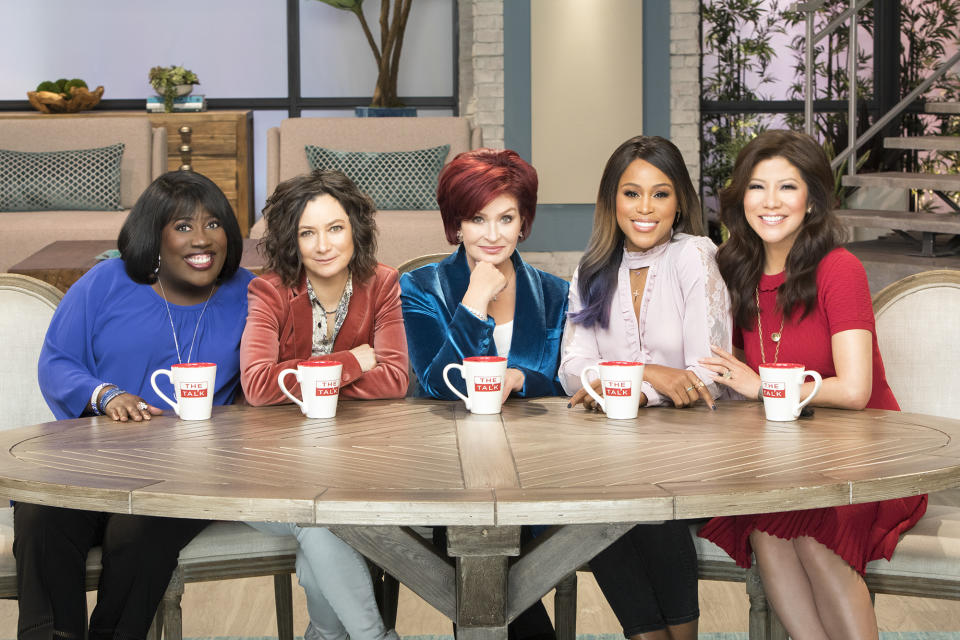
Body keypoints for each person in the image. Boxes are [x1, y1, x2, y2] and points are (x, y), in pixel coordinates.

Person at [697, 129, 927, 640]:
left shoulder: (838, 269)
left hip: (867, 453)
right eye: (758, 187)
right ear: (740, 198)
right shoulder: (737, 270)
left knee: (813, 538)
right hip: (788, 454)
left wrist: (763, 389)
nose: (771, 202)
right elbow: (731, 362)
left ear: (812, 200)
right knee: (766, 531)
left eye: (788, 187)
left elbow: (854, 391)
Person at [16, 171, 254, 640]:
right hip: (93, 461)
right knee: (41, 510)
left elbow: (264, 384)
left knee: (137, 527)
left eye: (214, 225)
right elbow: (57, 362)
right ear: (154, 236)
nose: (201, 240)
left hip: (190, 472)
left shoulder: (250, 295)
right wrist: (106, 395)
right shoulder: (106, 282)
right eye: (183, 227)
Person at [559, 135, 731, 640]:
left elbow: (707, 374)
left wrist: (622, 386)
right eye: (631, 193)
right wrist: (649, 376)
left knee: (642, 496)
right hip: (609, 457)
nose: (645, 208)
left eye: (660, 193)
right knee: (601, 501)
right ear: (612, 199)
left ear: (680, 201)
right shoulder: (592, 270)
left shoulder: (694, 256)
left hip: (689, 456)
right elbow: (572, 367)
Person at [400, 148, 568, 640]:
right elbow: (435, 384)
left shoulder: (556, 293)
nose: (492, 235)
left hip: (539, 465)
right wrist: (474, 299)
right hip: (449, 466)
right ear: (455, 225)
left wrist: (524, 380)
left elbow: (565, 381)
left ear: (524, 223)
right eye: (477, 219)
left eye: (506, 218)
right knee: (483, 553)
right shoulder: (421, 286)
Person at [239, 169, 406, 640]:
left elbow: (394, 378)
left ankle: (325, 635)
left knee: (320, 526)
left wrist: (302, 377)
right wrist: (352, 361)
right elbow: (255, 385)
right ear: (292, 241)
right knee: (318, 519)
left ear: (355, 229)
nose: (323, 245)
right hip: (268, 470)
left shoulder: (383, 284)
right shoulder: (269, 290)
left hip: (356, 466)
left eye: (335, 228)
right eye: (307, 233)